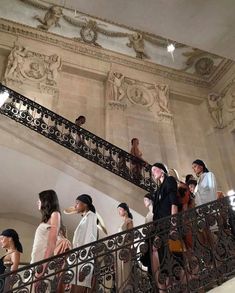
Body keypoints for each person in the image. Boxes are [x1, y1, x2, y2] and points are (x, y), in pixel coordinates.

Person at [151, 163, 178, 292]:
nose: (153, 172)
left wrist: (174, 223)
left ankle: (175, 283)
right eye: (152, 171)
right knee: (162, 255)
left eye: (155, 169)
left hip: (168, 223)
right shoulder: (157, 190)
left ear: (162, 171)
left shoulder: (169, 181)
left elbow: (174, 202)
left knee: (172, 253)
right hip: (159, 227)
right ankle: (166, 284)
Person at [70, 194, 98, 293]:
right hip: (78, 260)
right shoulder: (84, 218)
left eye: (77, 203)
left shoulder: (91, 216)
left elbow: (90, 239)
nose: (75, 206)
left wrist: (84, 267)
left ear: (85, 204)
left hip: (83, 261)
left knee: (78, 289)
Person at [31, 189, 61, 263]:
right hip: (36, 257)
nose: (38, 202)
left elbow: (52, 242)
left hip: (42, 258)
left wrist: (44, 264)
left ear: (46, 201)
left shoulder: (55, 214)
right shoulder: (47, 219)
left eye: (40, 200)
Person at [117, 203, 134, 292]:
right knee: (120, 273)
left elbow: (131, 237)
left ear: (125, 210)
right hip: (119, 249)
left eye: (120, 209)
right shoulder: (123, 222)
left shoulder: (129, 221)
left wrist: (127, 250)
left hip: (125, 250)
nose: (119, 212)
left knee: (126, 272)